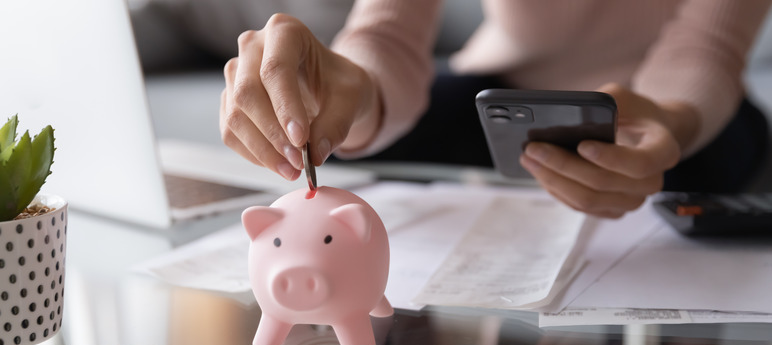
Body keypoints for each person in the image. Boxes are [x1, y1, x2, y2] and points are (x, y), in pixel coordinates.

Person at [219, 0, 772, 218]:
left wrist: (670, 119)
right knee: (357, 148)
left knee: (694, 176)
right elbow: (387, 33)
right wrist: (352, 86)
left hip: (681, 103)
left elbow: (706, 47)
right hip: (507, 86)